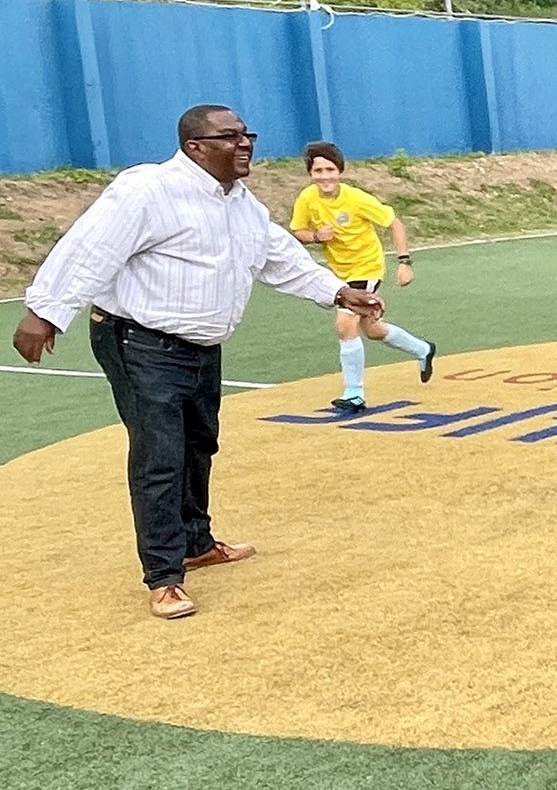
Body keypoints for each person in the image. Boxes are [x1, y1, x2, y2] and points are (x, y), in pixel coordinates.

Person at [11, 105, 380, 620]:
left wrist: (340, 292)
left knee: (199, 444)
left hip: (201, 347)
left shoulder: (241, 203)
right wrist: (44, 313)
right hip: (140, 342)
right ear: (195, 147)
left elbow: (279, 257)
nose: (244, 143)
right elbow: (89, 248)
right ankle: (164, 576)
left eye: (246, 133)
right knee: (159, 456)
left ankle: (195, 543)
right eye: (229, 136)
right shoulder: (148, 191)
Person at [288, 141, 438, 414]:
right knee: (372, 330)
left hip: (366, 269)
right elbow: (297, 230)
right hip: (338, 274)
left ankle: (354, 395)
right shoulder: (307, 198)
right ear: (310, 173)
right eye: (318, 170)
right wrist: (315, 236)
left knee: (345, 325)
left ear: (340, 170)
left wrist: (404, 262)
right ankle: (422, 349)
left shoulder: (356, 199)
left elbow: (394, 222)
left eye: (330, 169)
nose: (324, 176)